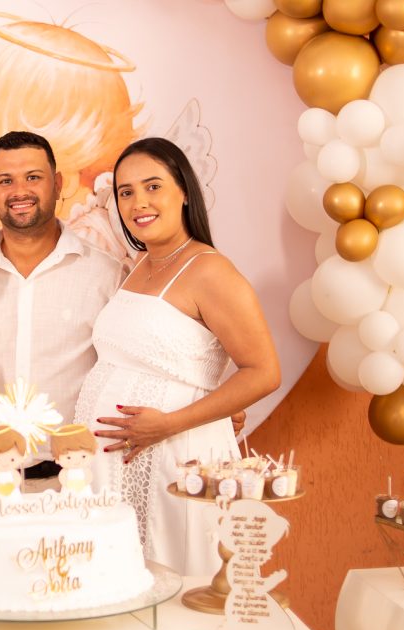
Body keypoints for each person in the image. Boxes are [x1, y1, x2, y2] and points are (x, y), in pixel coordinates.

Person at [75, 137, 281, 576]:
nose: (138, 203)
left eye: (153, 186)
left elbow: (263, 372)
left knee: (175, 581)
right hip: (114, 468)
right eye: (126, 192)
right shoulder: (139, 265)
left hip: (175, 457)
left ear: (184, 191)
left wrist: (168, 424)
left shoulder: (210, 271)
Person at [0, 131, 125, 500]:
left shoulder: (106, 273)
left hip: (77, 481)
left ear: (57, 184)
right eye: (5, 181)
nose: (20, 191)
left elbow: (130, 370)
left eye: (33, 177)